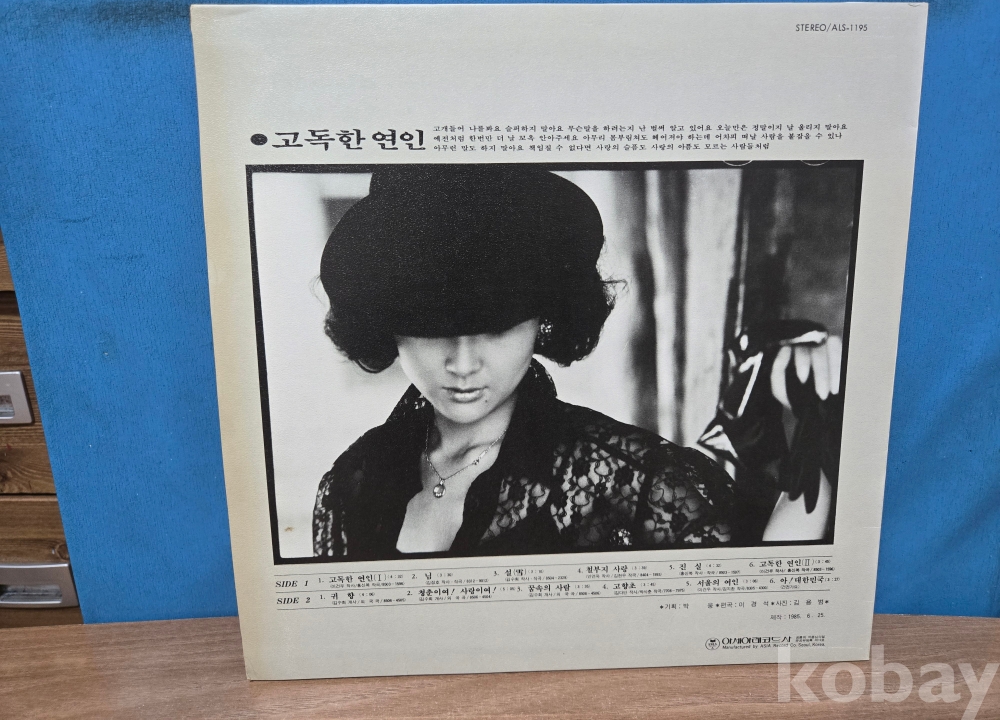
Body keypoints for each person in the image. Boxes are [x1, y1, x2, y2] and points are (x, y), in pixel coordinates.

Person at [312, 165, 837, 560]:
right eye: (433, 328)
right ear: (386, 323)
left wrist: (820, 420)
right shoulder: (348, 486)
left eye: (498, 326)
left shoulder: (637, 479)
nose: (463, 362)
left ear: (543, 319)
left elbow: (759, 594)